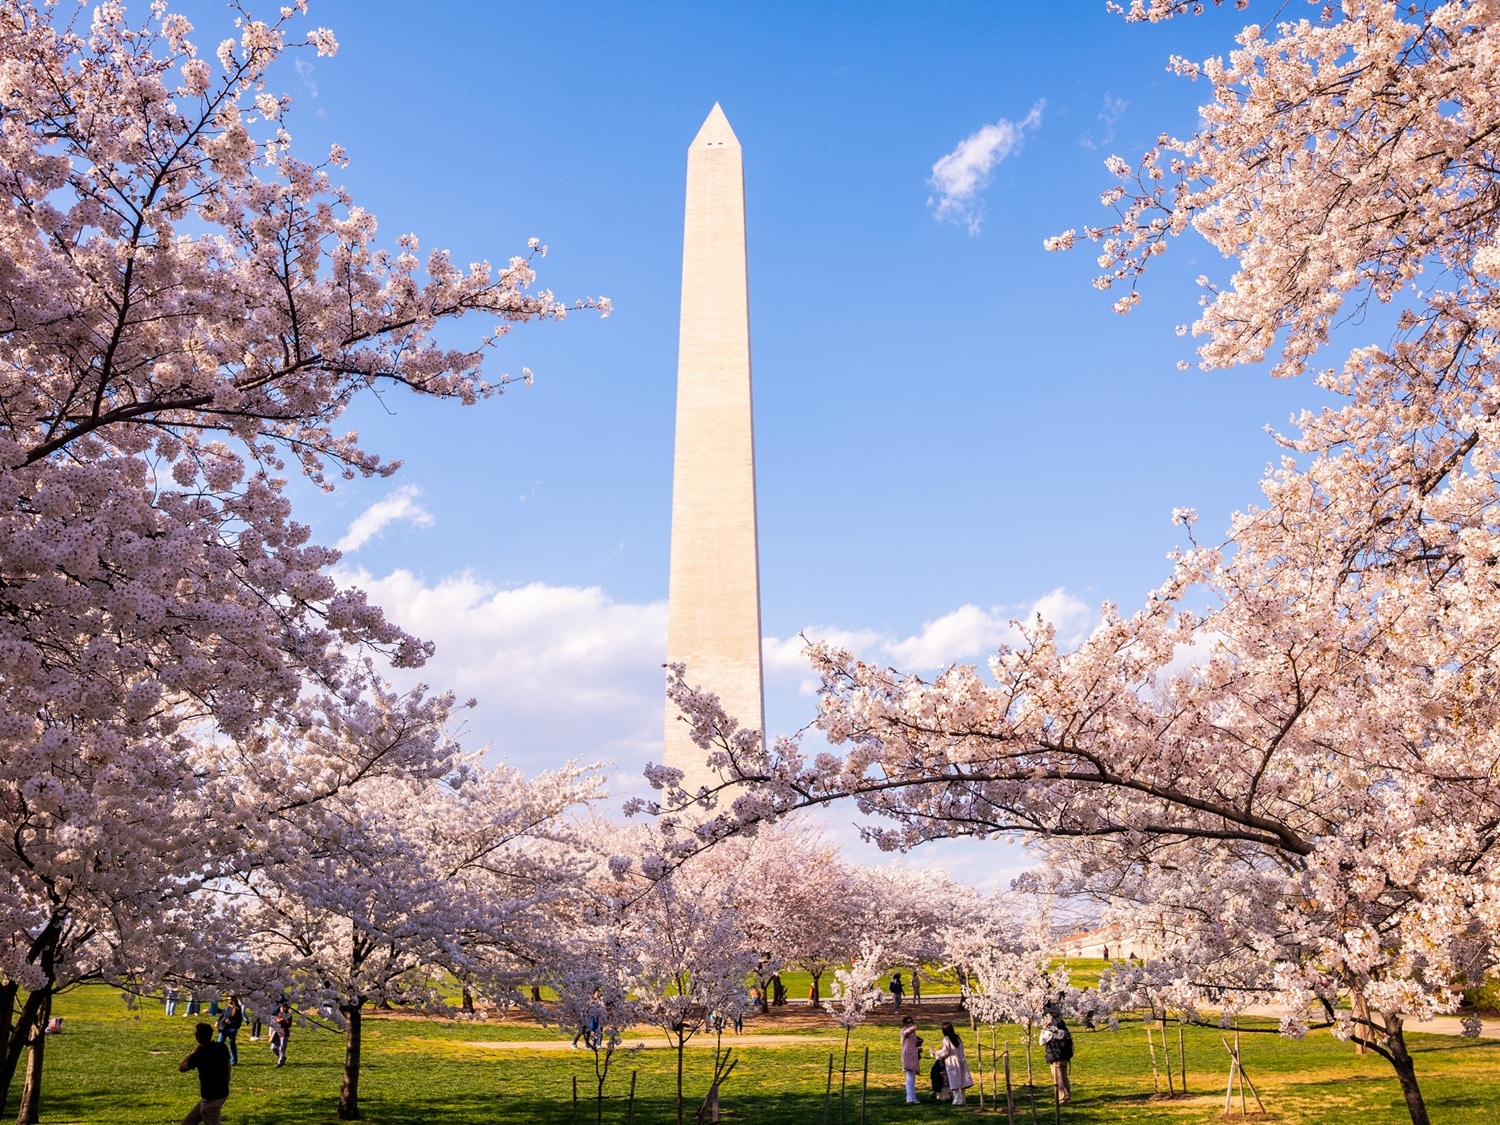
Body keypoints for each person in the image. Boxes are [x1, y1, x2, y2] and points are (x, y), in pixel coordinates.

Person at [179, 1021, 232, 1125]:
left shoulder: (200, 1054)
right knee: (188, 1122)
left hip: (211, 1098)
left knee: (207, 1113)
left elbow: (182, 1068)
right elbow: (228, 1067)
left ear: (197, 1038)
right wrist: (226, 1083)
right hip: (220, 1093)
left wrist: (193, 1053)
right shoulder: (222, 1047)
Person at [932, 1022, 973, 1106]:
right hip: (961, 1061)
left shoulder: (947, 1039)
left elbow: (946, 1051)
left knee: (954, 1081)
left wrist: (935, 1053)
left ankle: (957, 1099)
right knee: (962, 1080)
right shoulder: (957, 1037)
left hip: (952, 1063)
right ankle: (962, 1099)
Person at [1040, 1010, 1074, 1105]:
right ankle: (1068, 1097)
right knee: (1064, 1076)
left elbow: (1041, 1042)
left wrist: (1044, 1030)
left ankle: (1062, 1098)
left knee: (1058, 1078)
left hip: (1055, 1056)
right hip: (1065, 1056)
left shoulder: (1051, 1029)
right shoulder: (1063, 1027)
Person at [899, 1016, 922, 1105]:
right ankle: (910, 1098)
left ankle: (911, 1097)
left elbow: (912, 1044)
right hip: (908, 1056)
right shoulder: (904, 1031)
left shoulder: (913, 1033)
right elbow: (906, 1033)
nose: (911, 1024)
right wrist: (912, 1028)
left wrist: (918, 1049)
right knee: (909, 1078)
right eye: (909, 1022)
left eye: (912, 1022)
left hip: (913, 1055)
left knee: (912, 1078)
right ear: (905, 1024)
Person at [216, 995, 243, 1065]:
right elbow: (222, 1015)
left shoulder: (237, 1009)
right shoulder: (227, 1007)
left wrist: (231, 1022)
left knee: (232, 1044)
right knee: (219, 1044)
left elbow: (239, 1020)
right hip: (224, 1028)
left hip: (231, 1029)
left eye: (230, 999)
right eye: (228, 999)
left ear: (233, 1000)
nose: (228, 1000)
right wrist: (217, 1021)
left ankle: (233, 1060)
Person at [270, 1000, 292, 1067]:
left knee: (282, 1048)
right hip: (277, 1032)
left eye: (283, 1007)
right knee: (273, 1048)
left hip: (284, 1033)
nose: (282, 1008)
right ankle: (282, 1057)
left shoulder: (288, 1015)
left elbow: (289, 1024)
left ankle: (280, 1062)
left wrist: (282, 1021)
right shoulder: (279, 1014)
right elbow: (275, 1021)